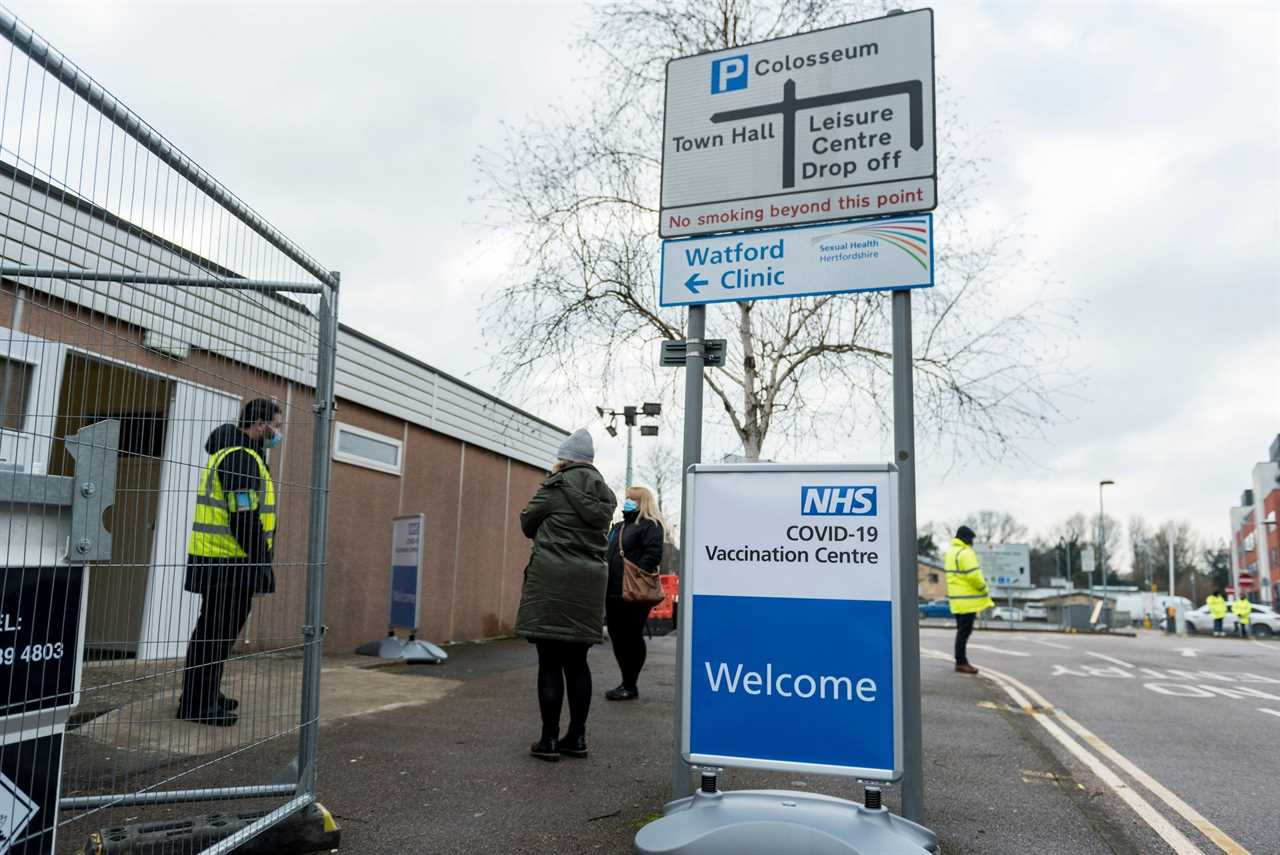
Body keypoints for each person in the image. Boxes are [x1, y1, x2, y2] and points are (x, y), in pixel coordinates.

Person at [178, 398, 281, 726]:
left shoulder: (238, 453)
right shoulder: (240, 457)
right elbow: (244, 516)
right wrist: (261, 562)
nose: (278, 432)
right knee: (215, 634)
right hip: (229, 562)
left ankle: (204, 694)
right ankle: (197, 705)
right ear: (261, 424)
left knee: (215, 632)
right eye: (276, 426)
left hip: (224, 559)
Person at [514, 429, 616, 761]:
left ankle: (549, 740)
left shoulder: (555, 487)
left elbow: (528, 523)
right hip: (588, 584)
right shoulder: (605, 496)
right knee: (577, 662)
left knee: (549, 662)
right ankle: (577, 737)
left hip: (553, 581)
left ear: (564, 459)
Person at [604, 485, 665, 701]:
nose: (627, 501)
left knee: (631, 636)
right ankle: (625, 681)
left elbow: (653, 554)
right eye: (627, 498)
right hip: (612, 591)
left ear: (642, 502)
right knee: (617, 636)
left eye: (632, 499)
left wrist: (637, 575)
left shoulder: (650, 525)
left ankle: (631, 684)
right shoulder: (619, 526)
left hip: (634, 593)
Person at [944, 526, 993, 674]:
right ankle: (961, 661)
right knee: (964, 632)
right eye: (971, 539)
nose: (972, 543)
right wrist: (984, 588)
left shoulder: (951, 552)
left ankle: (960, 660)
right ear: (967, 539)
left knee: (961, 631)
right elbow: (974, 576)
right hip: (968, 600)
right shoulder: (966, 553)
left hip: (957, 599)